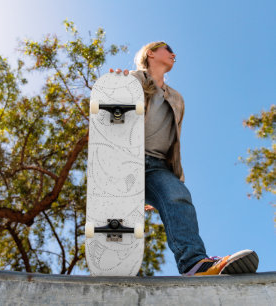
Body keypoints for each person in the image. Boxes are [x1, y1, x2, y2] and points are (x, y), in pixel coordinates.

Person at [109, 41, 259, 276]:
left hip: (157, 167)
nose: (173, 54)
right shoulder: (132, 80)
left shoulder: (177, 99)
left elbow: (173, 142)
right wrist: (115, 87)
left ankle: (195, 264)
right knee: (120, 216)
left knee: (178, 196)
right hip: (127, 158)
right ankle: (113, 260)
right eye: (167, 50)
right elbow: (111, 111)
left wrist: (162, 187)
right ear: (151, 53)